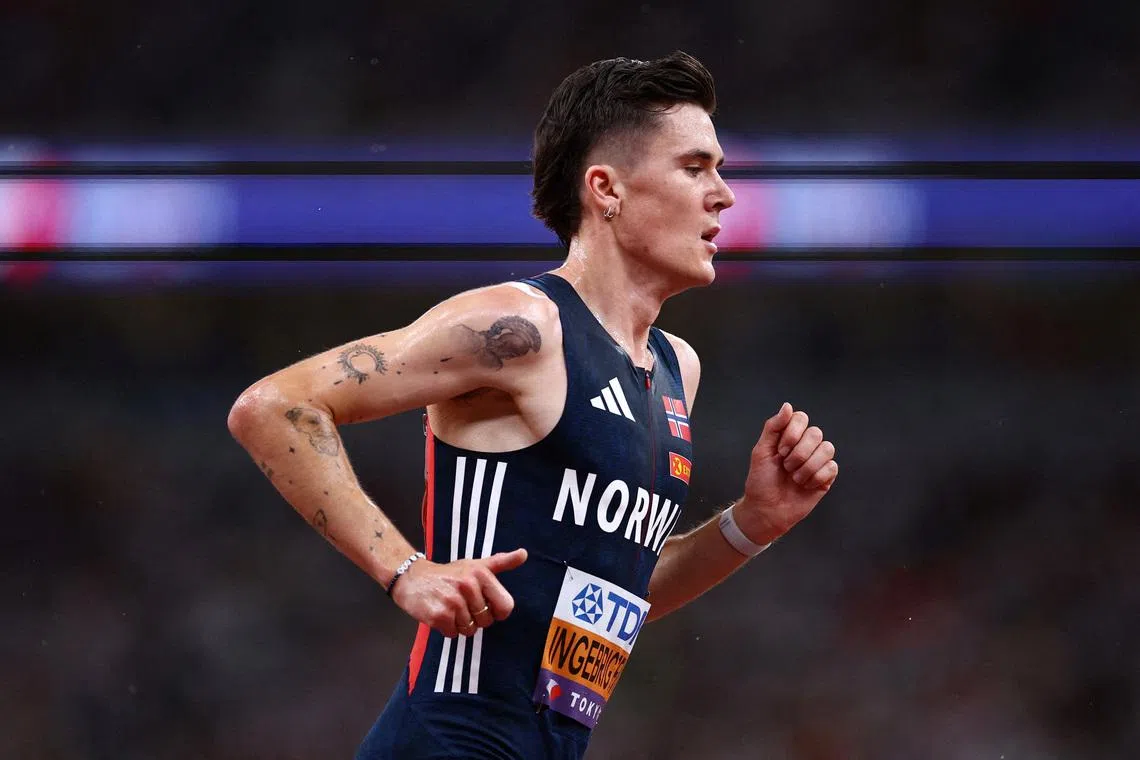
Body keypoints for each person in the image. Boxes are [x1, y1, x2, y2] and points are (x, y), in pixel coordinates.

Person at [227, 50, 838, 760]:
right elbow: (275, 407)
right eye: (695, 167)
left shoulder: (676, 368)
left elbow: (613, 600)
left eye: (720, 170)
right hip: (450, 744)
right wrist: (406, 570)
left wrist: (752, 524)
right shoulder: (522, 327)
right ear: (606, 189)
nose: (724, 195)